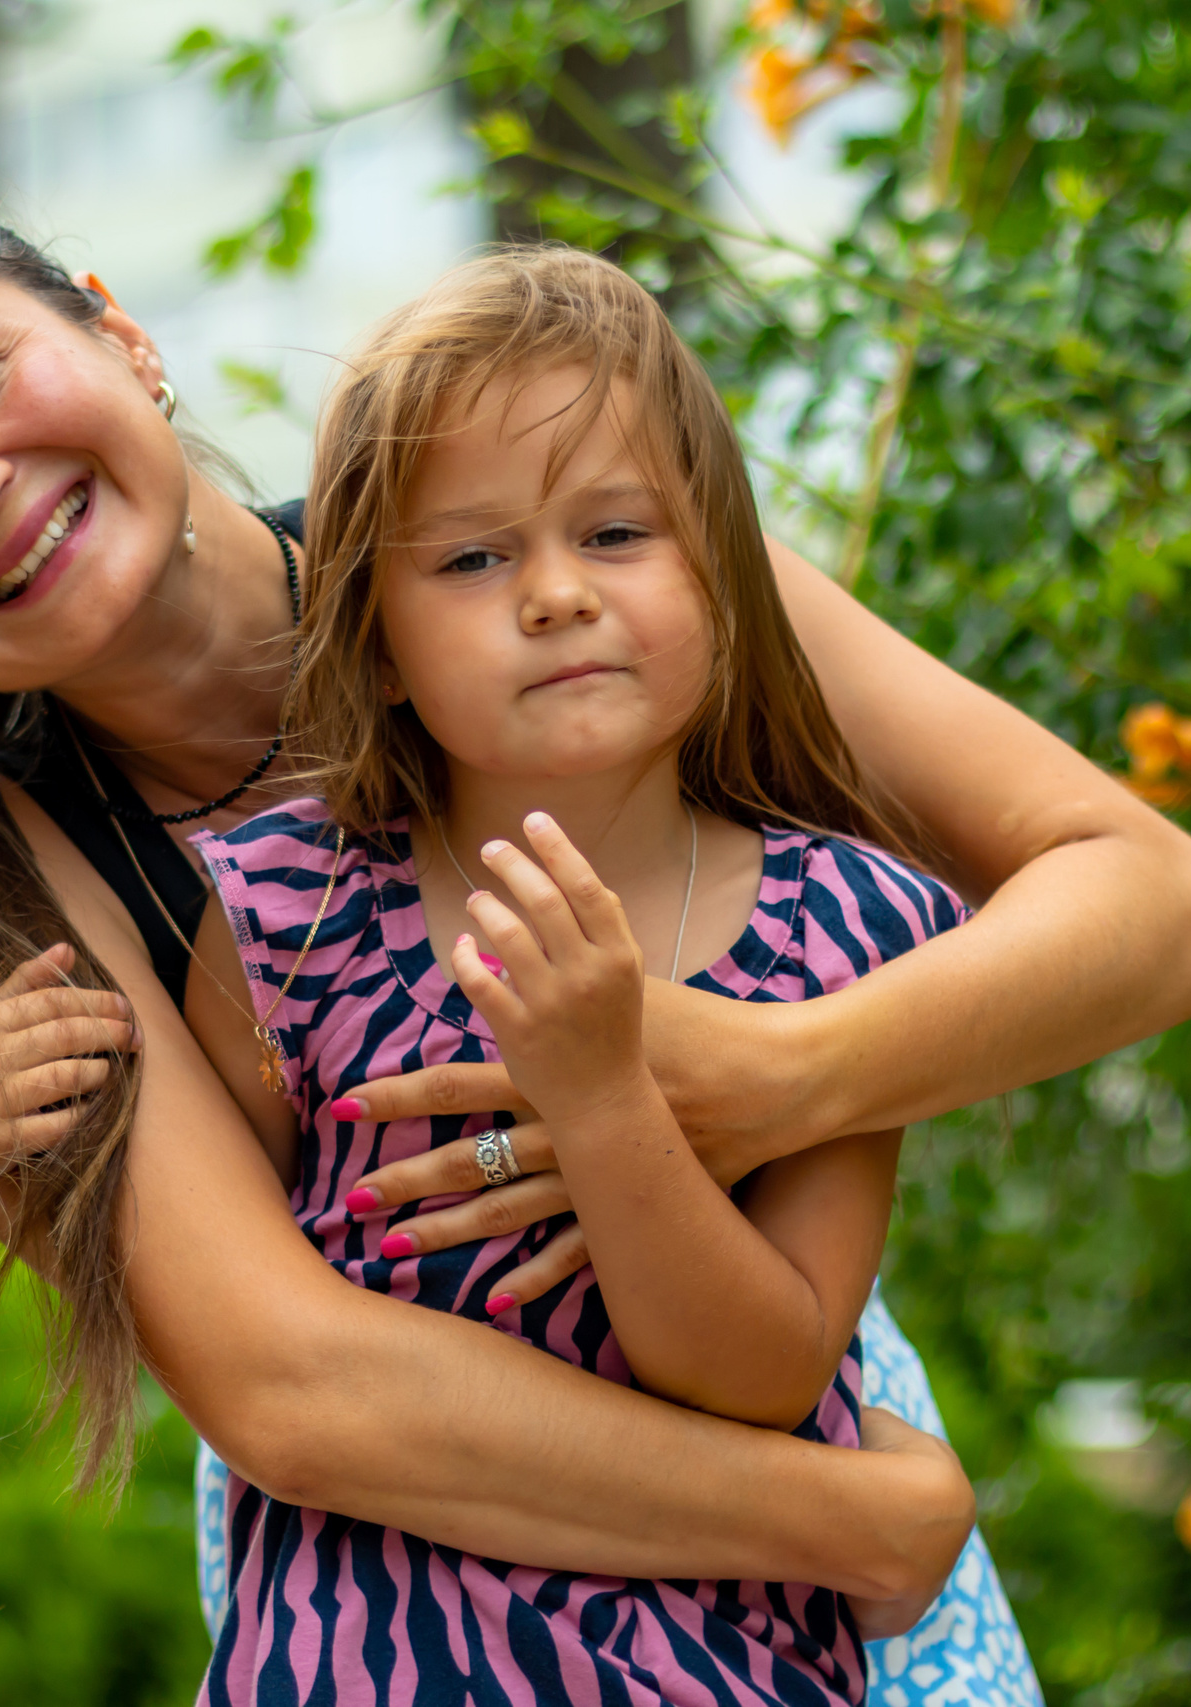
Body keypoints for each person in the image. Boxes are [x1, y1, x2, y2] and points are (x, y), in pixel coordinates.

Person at [0, 165, 1191, 1707]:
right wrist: (854, 1520)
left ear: (114, 329)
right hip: (432, 1600)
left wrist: (764, 1072)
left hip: (774, 1530)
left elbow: (1167, 913)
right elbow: (299, 1389)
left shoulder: (573, 560)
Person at [181, 244, 972, 1704]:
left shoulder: (848, 926)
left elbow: (770, 1373)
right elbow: (216, 1286)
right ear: (382, 641)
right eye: (473, 558)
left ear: (722, 575)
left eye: (615, 534)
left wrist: (606, 1099)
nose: (553, 595)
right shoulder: (282, 914)